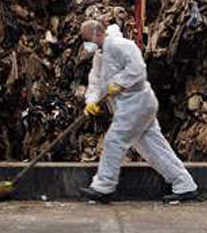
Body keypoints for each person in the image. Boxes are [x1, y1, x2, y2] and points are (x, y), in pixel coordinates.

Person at [80, 19, 198, 203]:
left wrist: (119, 82)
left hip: (136, 101)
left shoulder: (121, 45)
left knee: (114, 141)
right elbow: (95, 81)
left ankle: (103, 188)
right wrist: (92, 101)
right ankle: (185, 185)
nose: (87, 44)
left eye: (88, 40)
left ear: (99, 34)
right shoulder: (100, 55)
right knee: (153, 147)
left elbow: (138, 68)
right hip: (130, 105)